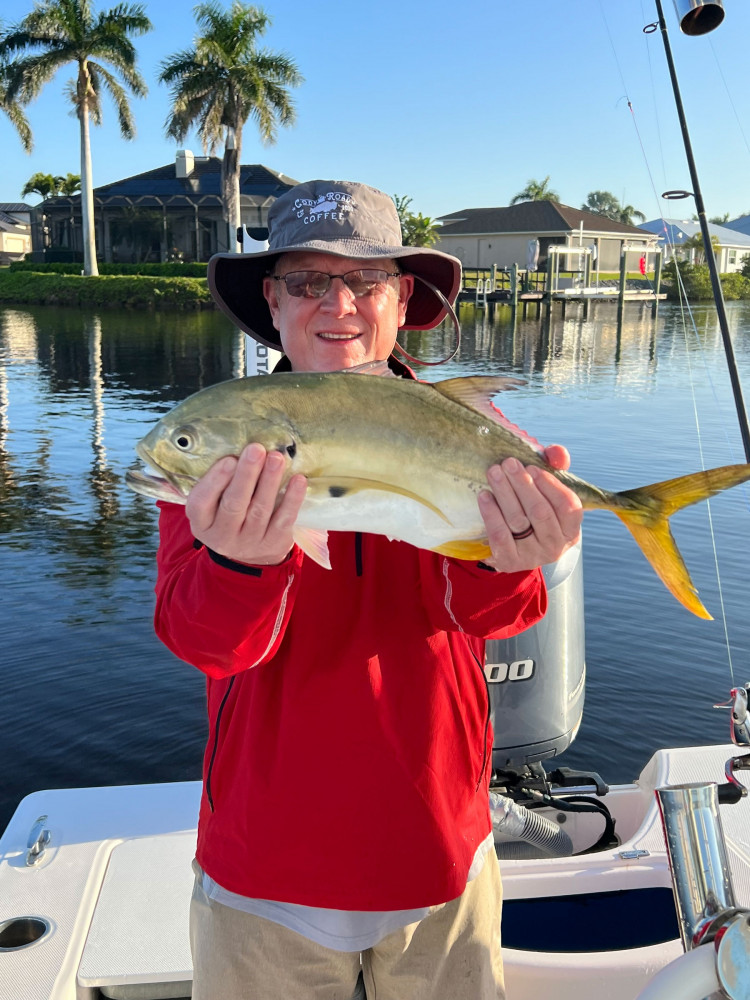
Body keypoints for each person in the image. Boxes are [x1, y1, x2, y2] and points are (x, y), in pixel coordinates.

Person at [153, 179, 583, 1000]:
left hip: (437, 846)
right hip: (264, 862)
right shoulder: (220, 441)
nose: (336, 304)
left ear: (401, 299)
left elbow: (504, 615)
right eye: (310, 281)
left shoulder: (480, 441)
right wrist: (244, 562)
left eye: (364, 280)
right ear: (273, 302)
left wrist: (513, 556)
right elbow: (202, 641)